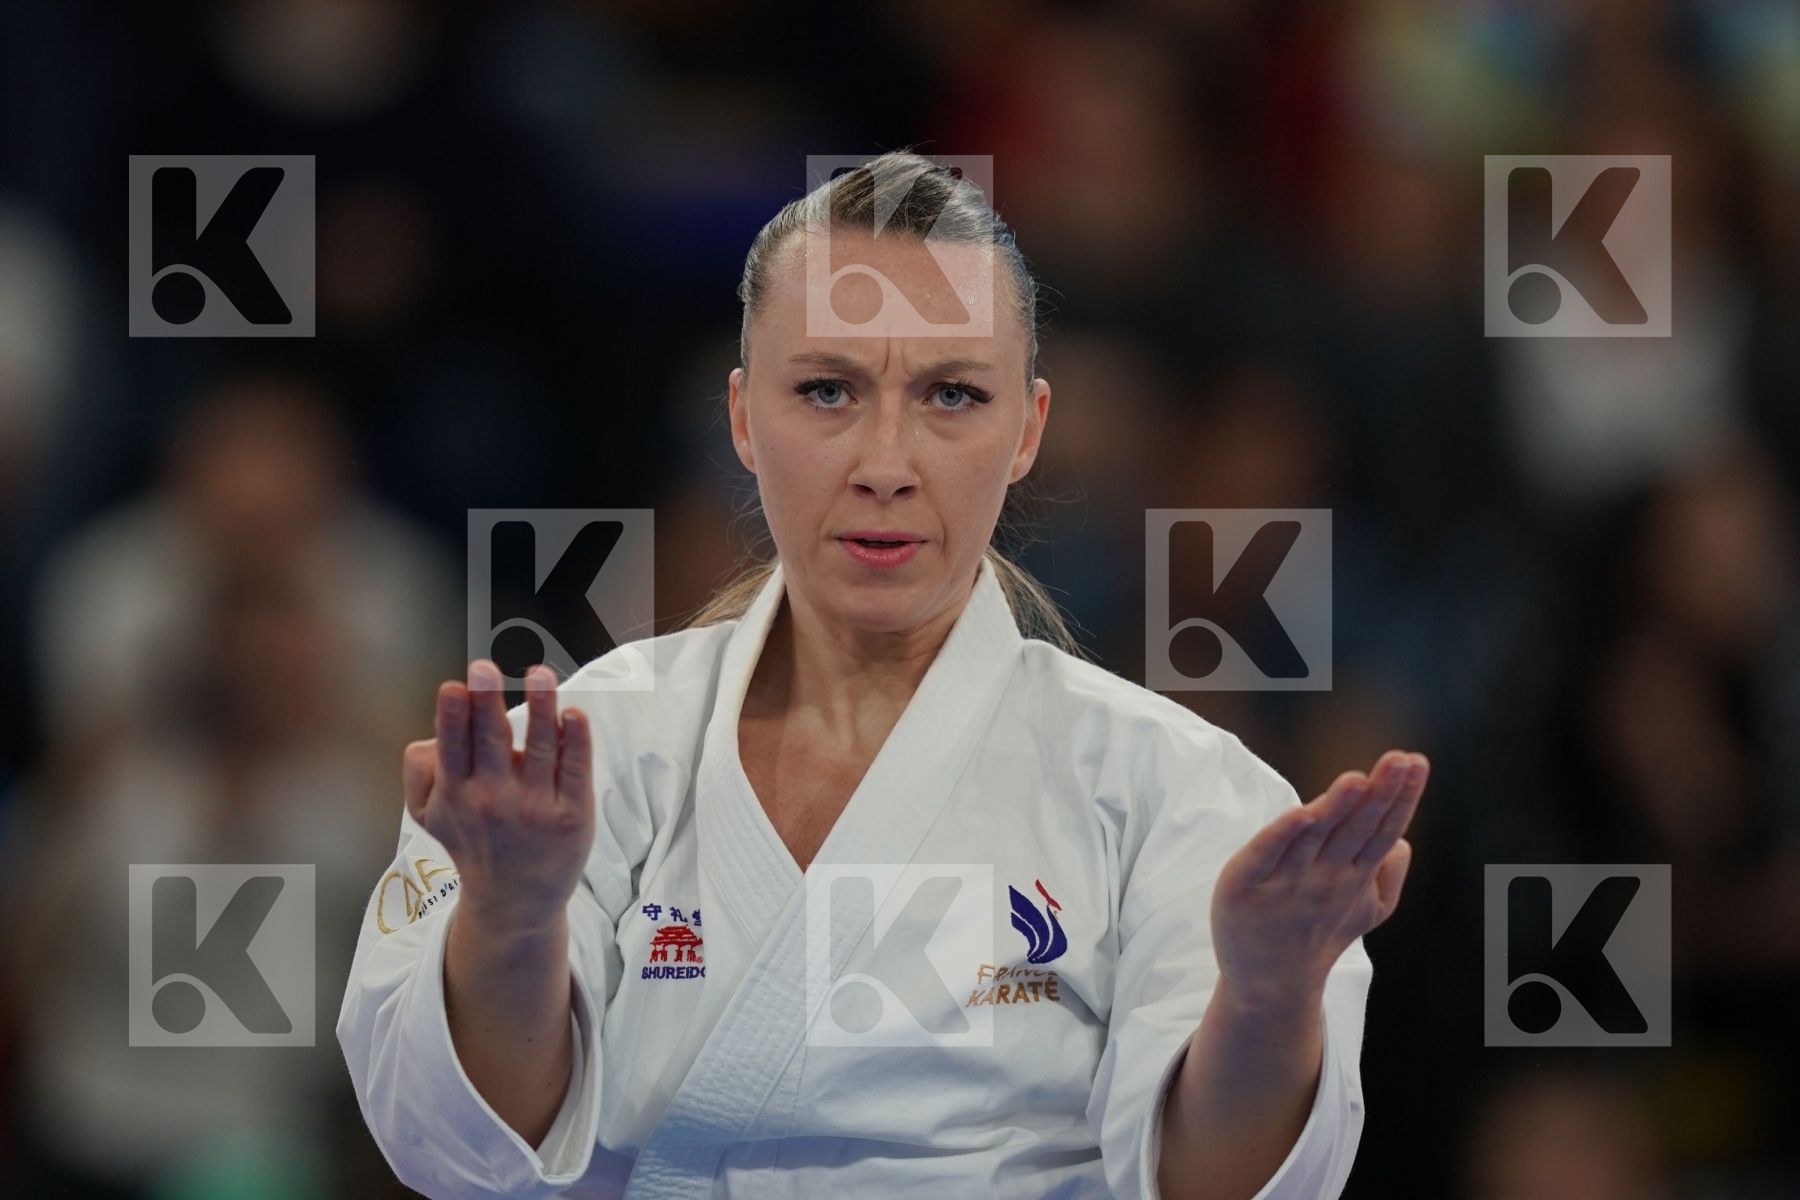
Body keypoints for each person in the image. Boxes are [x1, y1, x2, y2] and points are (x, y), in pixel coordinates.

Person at [335, 150, 1428, 1199]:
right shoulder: (570, 762)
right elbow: (453, 1153)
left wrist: (1271, 996)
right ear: (741, 418)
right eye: (827, 391)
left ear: (1028, 429)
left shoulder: (1178, 791)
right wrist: (514, 917)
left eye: (953, 395)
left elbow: (1217, 1186)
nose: (886, 465)